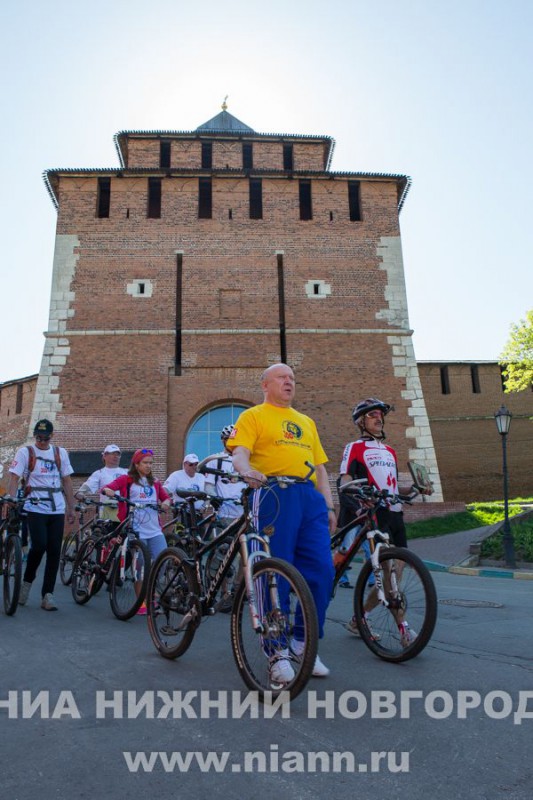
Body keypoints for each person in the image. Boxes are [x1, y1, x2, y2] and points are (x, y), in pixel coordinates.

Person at [228, 363, 336, 682]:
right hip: (274, 492)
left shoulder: (306, 421)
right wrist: (247, 471)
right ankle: (276, 651)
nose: (289, 382)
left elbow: (320, 469)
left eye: (292, 378)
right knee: (273, 572)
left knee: (322, 572)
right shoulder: (253, 416)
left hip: (309, 498)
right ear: (265, 385)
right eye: (282, 378)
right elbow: (239, 453)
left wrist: (329, 505)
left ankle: (303, 643)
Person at [339, 397, 429, 645]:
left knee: (395, 576)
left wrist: (415, 488)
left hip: (395, 514)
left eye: (380, 414)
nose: (378, 418)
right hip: (376, 513)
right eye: (372, 415)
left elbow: (392, 486)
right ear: (361, 421)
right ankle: (404, 630)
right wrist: (358, 497)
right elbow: (345, 480)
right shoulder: (354, 447)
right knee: (389, 576)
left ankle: (359, 619)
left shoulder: (390, 451)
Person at [7, 419, 76, 611]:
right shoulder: (25, 452)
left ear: (51, 436)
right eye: (38, 438)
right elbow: (14, 477)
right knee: (39, 546)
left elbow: (67, 480)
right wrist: (12, 498)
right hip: (35, 505)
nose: (42, 441)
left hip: (56, 506)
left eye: (45, 438)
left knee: (54, 550)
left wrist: (71, 507)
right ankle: (27, 583)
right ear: (35, 436)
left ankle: (48, 595)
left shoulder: (60, 453)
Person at [101, 448, 171, 615]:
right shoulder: (126, 479)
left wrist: (166, 503)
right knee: (139, 566)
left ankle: (151, 589)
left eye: (150, 463)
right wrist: (109, 491)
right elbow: (107, 488)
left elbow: (166, 498)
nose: (148, 466)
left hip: (154, 530)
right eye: (145, 463)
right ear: (136, 464)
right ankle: (142, 601)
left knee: (163, 561)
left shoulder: (155, 482)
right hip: (136, 529)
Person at [203, 424, 247, 613]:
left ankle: (236, 590)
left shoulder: (247, 460)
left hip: (243, 515)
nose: (230, 442)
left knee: (245, 555)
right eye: (227, 439)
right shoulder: (217, 460)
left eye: (233, 439)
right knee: (224, 555)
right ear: (223, 441)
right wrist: (213, 498)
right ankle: (223, 592)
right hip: (224, 515)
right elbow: (208, 485)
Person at [75, 443, 127, 521]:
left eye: (118, 454)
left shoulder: (126, 472)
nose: (115, 456)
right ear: (104, 456)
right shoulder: (99, 473)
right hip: (107, 513)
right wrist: (80, 494)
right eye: (113, 454)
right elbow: (85, 489)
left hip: (125, 512)